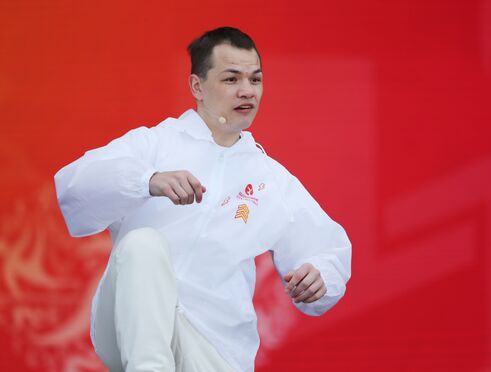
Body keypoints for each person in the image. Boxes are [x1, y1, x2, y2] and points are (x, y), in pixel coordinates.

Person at [54, 26, 352, 372]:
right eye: (231, 79)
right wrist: (146, 181)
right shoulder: (153, 145)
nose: (247, 92)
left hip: (213, 348)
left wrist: (320, 276)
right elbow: (73, 188)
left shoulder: (270, 179)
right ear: (197, 86)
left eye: (255, 80)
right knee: (142, 243)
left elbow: (327, 249)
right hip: (126, 325)